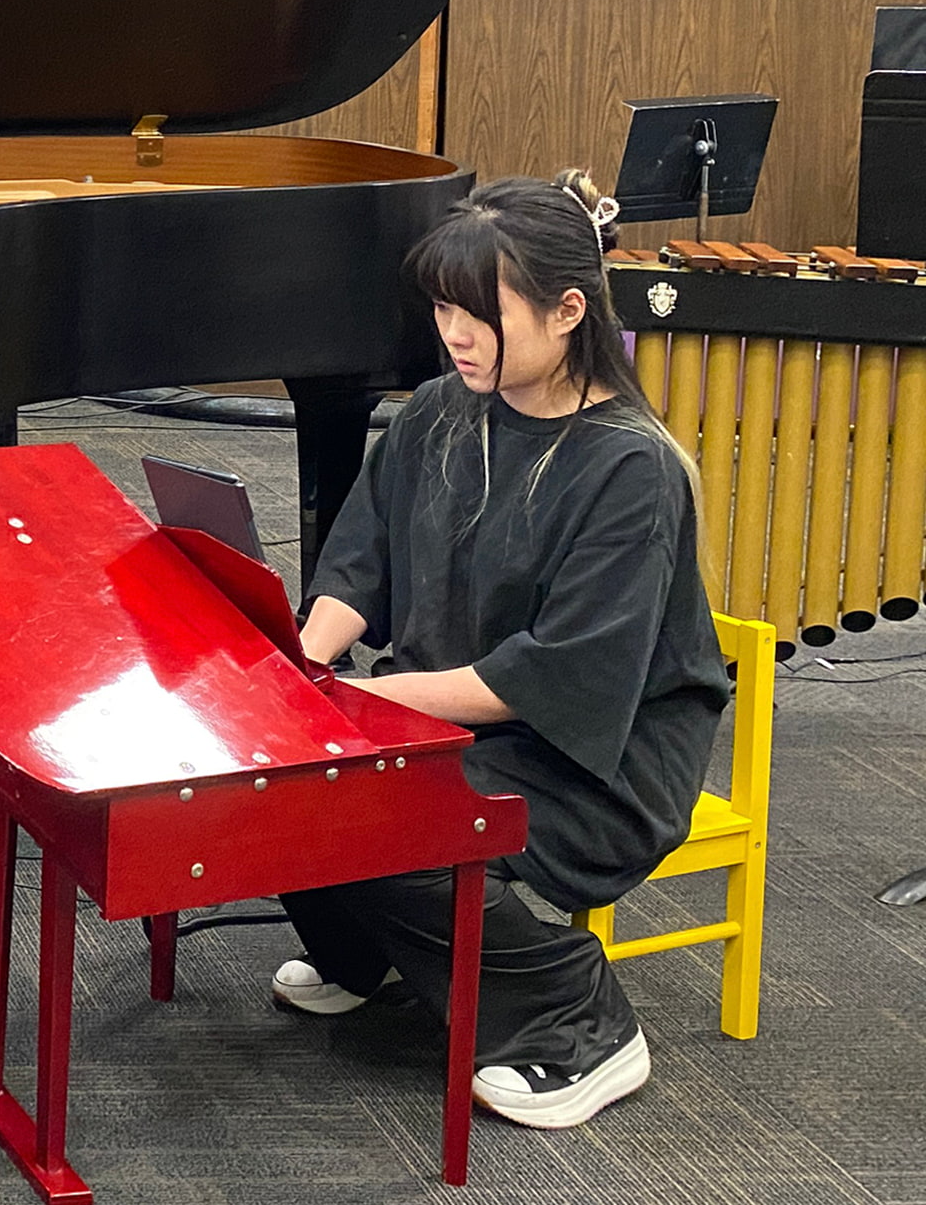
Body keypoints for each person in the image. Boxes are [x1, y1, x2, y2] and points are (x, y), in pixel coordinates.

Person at [271, 173, 731, 1130]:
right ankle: (368, 959)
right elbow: (359, 567)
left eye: (481, 314)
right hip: (452, 711)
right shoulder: (439, 409)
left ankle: (576, 1020)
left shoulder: (631, 470)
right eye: (444, 308)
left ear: (570, 312)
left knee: (379, 822)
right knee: (269, 774)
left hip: (592, 758)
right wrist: (299, 674)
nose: (456, 334)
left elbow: (552, 677)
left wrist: (360, 708)